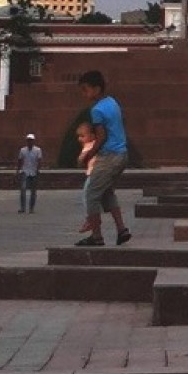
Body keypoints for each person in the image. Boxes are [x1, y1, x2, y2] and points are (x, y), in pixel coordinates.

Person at [75, 70, 131, 247]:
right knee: (106, 192)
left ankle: (96, 236)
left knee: (91, 193)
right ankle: (122, 230)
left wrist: (88, 155)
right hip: (122, 154)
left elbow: (101, 136)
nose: (84, 94)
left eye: (86, 89)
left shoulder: (97, 109)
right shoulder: (112, 102)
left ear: (97, 89)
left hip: (110, 156)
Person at [74, 120, 98, 232]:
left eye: (82, 136)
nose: (80, 139)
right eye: (79, 136)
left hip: (93, 174)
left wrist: (81, 158)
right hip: (97, 173)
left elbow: (80, 160)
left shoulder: (88, 146)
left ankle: (90, 219)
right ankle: (92, 219)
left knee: (87, 197)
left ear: (91, 136)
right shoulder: (96, 144)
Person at [15, 133, 42, 213]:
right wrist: (18, 170)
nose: (30, 142)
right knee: (23, 190)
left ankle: (31, 208)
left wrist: (38, 170)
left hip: (33, 171)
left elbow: (39, 161)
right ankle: (23, 208)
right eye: (28, 140)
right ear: (27, 141)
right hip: (25, 171)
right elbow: (20, 161)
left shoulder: (37, 150)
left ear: (33, 141)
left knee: (33, 191)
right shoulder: (23, 150)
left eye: (31, 140)